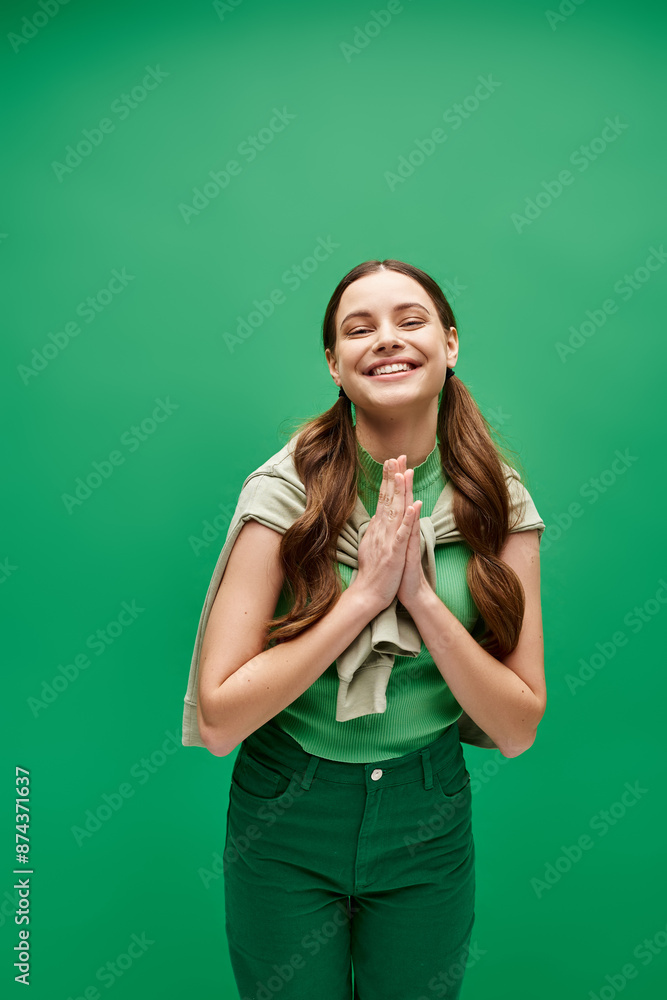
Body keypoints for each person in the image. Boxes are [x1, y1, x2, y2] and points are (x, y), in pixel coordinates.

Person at [193, 258, 547, 1000]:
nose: (386, 339)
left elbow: (517, 727)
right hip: (287, 811)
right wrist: (362, 599)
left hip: (426, 815)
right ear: (334, 363)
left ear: (450, 344)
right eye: (359, 329)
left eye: (410, 321)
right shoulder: (283, 493)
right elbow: (221, 718)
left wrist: (418, 597)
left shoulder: (499, 505)